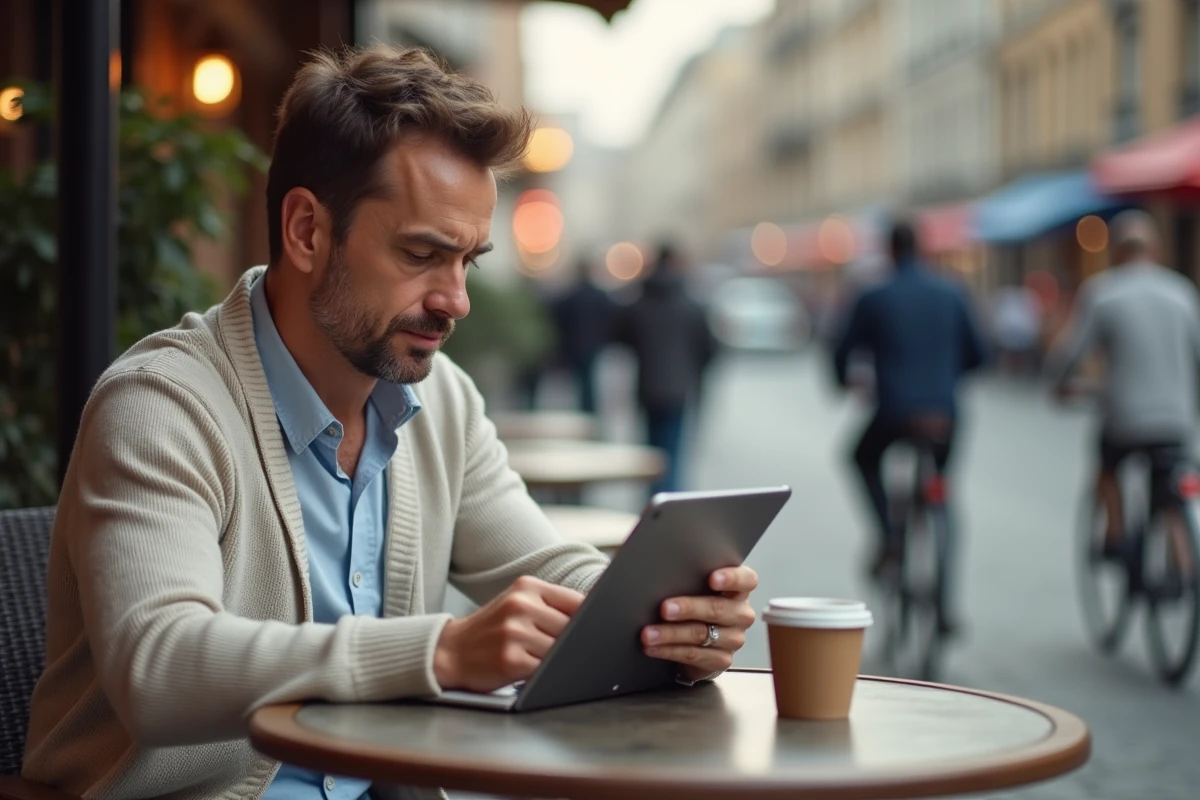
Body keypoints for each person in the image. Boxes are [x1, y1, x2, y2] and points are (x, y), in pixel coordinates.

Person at [22, 46, 758, 800]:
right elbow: (160, 667)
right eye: (423, 254)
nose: (456, 299)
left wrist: (665, 617)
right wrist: (439, 650)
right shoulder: (160, 405)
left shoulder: (442, 402)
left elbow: (546, 565)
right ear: (307, 230)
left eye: (467, 260)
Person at [832, 220, 988, 627]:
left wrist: (844, 380)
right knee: (942, 491)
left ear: (890, 250)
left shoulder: (873, 295)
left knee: (859, 458)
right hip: (943, 416)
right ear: (923, 248)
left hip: (894, 412)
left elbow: (843, 348)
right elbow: (979, 355)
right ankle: (946, 603)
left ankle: (889, 534)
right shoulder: (953, 291)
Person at [1047, 210, 1200, 564]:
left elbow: (1069, 355)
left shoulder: (1103, 293)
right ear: (1156, 249)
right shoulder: (1183, 293)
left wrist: (1058, 387)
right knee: (1169, 491)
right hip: (1175, 420)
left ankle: (1116, 535)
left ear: (1116, 251)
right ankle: (1183, 567)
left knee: (1106, 466)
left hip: (1125, 420)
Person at [614, 243, 718, 494]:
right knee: (673, 456)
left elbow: (621, 336)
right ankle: (669, 509)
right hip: (679, 389)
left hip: (647, 388)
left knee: (651, 455)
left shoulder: (638, 302)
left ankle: (654, 505)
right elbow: (709, 348)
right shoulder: (691, 304)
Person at [550, 258, 617, 414]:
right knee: (589, 379)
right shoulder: (600, 296)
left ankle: (585, 410)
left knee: (581, 380)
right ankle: (589, 410)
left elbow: (560, 321)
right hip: (593, 344)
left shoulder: (568, 297)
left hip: (575, 345)